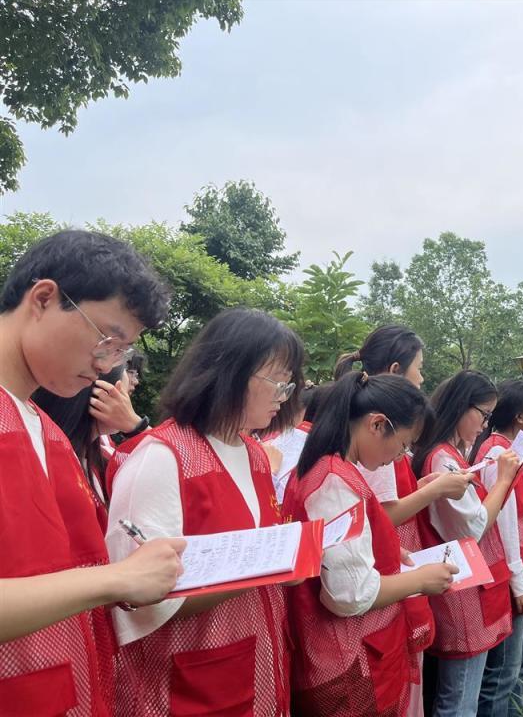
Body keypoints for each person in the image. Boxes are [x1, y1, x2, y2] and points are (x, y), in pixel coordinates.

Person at [0, 230, 185, 714]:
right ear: (44, 298)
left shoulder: (44, 427)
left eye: (122, 353)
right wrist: (117, 579)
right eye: (107, 339)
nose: (107, 364)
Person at [105, 308, 303, 716]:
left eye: (289, 384)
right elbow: (141, 597)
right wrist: (264, 568)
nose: (283, 396)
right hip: (189, 676)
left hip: (256, 659)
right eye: (277, 381)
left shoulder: (255, 455)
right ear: (230, 371)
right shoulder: (164, 456)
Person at [282, 372, 459, 716]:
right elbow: (349, 595)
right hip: (348, 661)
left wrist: (390, 551)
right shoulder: (335, 481)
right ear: (377, 424)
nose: (400, 455)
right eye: (404, 444)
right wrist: (421, 580)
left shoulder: (332, 469)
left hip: (355, 655)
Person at [337, 325, 471, 716]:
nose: (423, 377)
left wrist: (424, 484)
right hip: (382, 583)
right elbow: (381, 513)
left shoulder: (375, 433)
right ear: (396, 369)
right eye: (420, 368)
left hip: (391, 574)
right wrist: (433, 491)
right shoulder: (375, 434)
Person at [411, 370, 520, 717]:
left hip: (463, 587)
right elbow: (473, 526)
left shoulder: (451, 454)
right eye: (483, 414)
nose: (484, 424)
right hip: (459, 592)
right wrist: (503, 481)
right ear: (461, 406)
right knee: (459, 700)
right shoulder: (442, 458)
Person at [470, 380, 523, 717]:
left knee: (514, 670)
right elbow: (502, 524)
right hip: (507, 578)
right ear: (520, 416)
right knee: (503, 674)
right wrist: (519, 583)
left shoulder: (509, 450)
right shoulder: (497, 454)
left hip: (515, 574)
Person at [32, 362, 140, 529]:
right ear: (100, 400)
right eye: (124, 396)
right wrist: (136, 427)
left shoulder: (97, 459)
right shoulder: (51, 464)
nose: (128, 408)